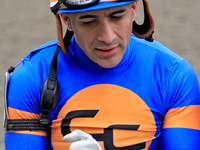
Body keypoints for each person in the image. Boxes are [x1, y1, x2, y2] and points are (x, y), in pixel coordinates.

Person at [4, 0, 200, 149]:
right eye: (89, 22)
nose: (108, 38)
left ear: (134, 9)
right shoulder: (31, 76)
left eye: (116, 17)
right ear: (66, 20)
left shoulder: (175, 75)